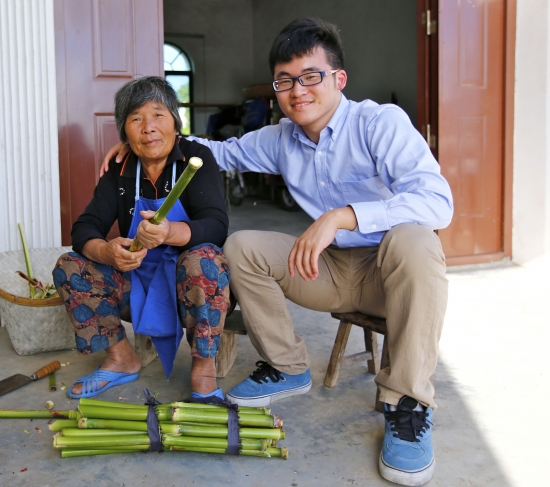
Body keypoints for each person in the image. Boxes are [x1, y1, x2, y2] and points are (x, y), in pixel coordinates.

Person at [101, 18, 453, 487]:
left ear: (338, 79)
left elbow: (438, 201)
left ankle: (407, 404)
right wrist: (141, 139)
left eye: (310, 76)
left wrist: (341, 215)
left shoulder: (378, 123)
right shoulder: (280, 137)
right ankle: (287, 366)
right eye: (285, 81)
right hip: (327, 272)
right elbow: (217, 152)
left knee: (417, 237)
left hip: (393, 274)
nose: (297, 91)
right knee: (242, 245)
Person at [53, 76, 230, 402]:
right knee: (70, 264)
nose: (148, 127)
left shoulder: (196, 158)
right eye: (136, 119)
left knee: (202, 258)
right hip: (136, 285)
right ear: (124, 133)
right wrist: (107, 252)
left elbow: (217, 225)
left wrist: (170, 233)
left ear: (175, 122)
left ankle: (204, 368)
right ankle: (121, 358)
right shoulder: (120, 169)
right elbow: (84, 228)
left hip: (188, 288)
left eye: (158, 115)